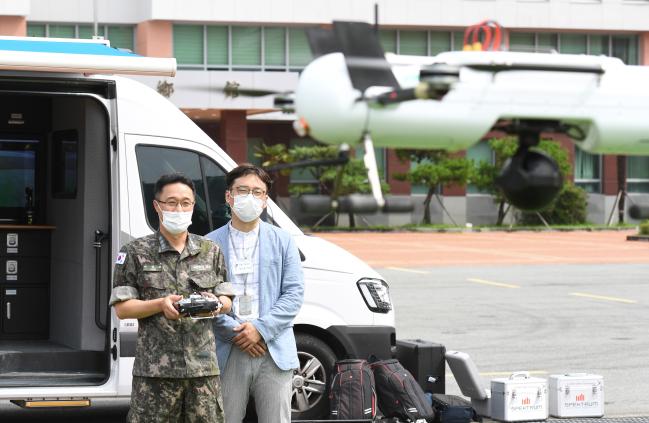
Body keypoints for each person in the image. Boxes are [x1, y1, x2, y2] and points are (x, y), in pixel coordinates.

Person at [109, 173, 234, 423]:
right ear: (157, 206)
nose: (180, 209)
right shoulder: (135, 251)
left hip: (203, 372)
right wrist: (159, 304)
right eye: (172, 202)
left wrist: (214, 304)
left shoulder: (210, 251)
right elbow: (122, 309)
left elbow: (228, 301)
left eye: (186, 203)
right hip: (155, 374)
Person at [206, 163, 304, 423]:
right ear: (229, 196)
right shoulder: (208, 244)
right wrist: (237, 332)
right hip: (228, 347)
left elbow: (293, 294)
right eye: (242, 190)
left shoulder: (283, 240)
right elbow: (203, 299)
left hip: (272, 348)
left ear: (265, 200)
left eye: (257, 192)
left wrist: (259, 329)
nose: (250, 197)